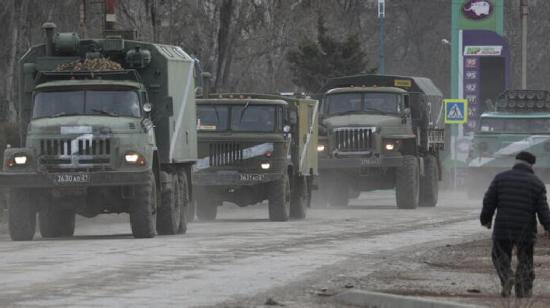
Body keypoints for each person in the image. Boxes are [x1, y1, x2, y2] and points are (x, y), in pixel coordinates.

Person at [481, 151, 550, 298]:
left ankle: (507, 277)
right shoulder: (537, 183)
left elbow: (489, 201)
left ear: (516, 162)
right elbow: (543, 210)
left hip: (503, 227)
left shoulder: (500, 178)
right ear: (531, 165)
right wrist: (548, 227)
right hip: (525, 230)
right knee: (525, 259)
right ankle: (523, 290)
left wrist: (485, 219)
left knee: (499, 255)